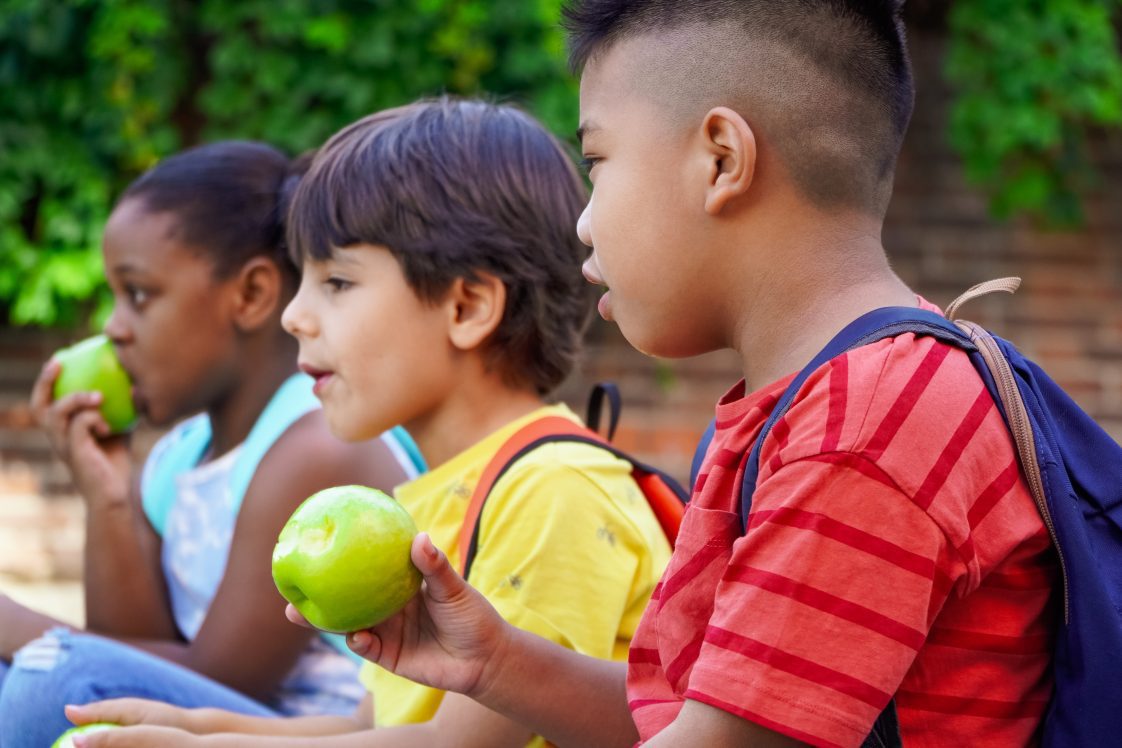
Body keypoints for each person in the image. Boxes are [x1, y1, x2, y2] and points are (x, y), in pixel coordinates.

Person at [74, 3, 1064, 747]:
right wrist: (497, 663)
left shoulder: (868, 417)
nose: (582, 220)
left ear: (720, 159)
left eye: (598, 163)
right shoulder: (799, 409)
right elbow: (678, 721)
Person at [64, 97, 673, 747]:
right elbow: (371, 726)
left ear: (466, 307)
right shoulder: (437, 494)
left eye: (337, 283)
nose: (295, 316)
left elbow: (453, 746)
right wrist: (195, 724)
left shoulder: (553, 490)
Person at [0, 141, 423, 748]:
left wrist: (24, 626)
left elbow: (227, 676)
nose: (113, 327)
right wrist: (108, 496)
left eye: (139, 294)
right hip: (217, 719)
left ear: (250, 296)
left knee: (55, 677)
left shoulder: (313, 443)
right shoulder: (181, 453)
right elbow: (137, 654)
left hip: (309, 733)